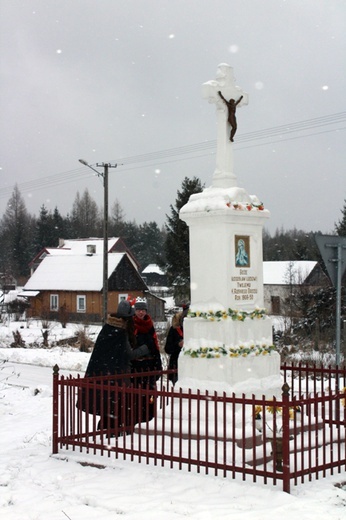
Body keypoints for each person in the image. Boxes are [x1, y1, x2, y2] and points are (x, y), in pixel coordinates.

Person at [79, 300, 150, 435]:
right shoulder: (120, 332)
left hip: (103, 374)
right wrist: (145, 348)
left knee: (108, 404)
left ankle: (107, 429)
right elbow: (129, 354)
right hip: (117, 374)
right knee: (118, 404)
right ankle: (115, 430)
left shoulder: (107, 328)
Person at [131, 297, 162, 422]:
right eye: (138, 310)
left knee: (149, 395)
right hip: (136, 366)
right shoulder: (131, 325)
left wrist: (157, 363)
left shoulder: (150, 325)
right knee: (136, 395)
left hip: (149, 365)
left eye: (143, 310)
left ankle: (149, 418)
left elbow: (155, 344)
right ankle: (137, 419)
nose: (141, 312)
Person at [165, 303, 189, 384]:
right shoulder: (174, 329)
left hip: (190, 366)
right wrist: (178, 345)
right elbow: (167, 349)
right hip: (177, 365)